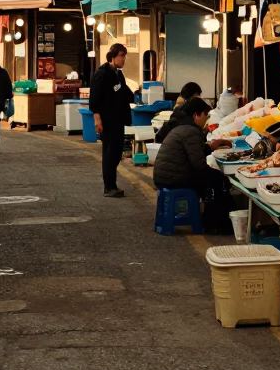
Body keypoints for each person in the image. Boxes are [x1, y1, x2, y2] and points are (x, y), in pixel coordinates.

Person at [152, 97, 233, 231]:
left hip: (165, 176)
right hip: (174, 178)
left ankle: (211, 220)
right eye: (205, 115)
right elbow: (199, 165)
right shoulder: (191, 131)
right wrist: (215, 174)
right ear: (196, 115)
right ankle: (216, 225)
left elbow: (193, 153)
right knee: (219, 180)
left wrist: (211, 147)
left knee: (214, 178)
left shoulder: (182, 127)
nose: (206, 119)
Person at [89, 43, 135, 197]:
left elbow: (124, 91)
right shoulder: (102, 74)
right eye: (122, 55)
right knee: (109, 153)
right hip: (107, 119)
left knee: (116, 152)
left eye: (125, 56)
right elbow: (94, 98)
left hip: (118, 119)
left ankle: (112, 185)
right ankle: (108, 187)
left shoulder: (118, 74)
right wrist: (97, 119)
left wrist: (137, 95)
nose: (124, 59)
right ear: (113, 56)